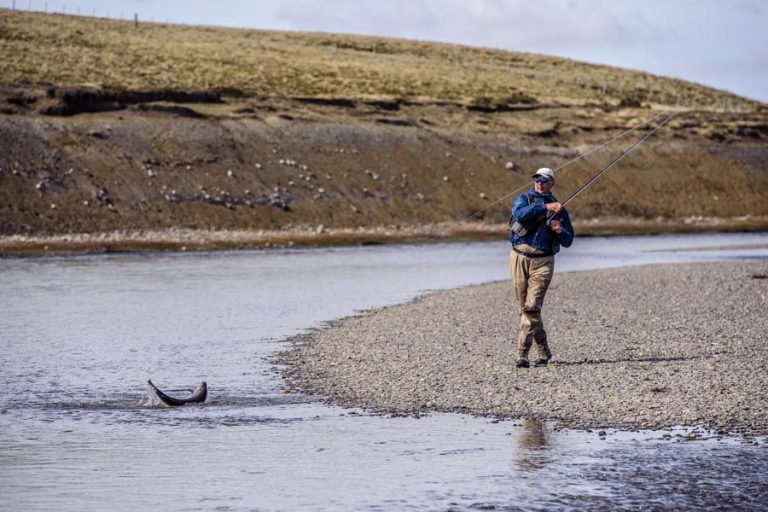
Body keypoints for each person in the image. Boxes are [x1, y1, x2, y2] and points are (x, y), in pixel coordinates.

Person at [508, 167, 574, 368]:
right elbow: (519, 213)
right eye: (537, 179)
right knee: (524, 309)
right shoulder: (524, 198)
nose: (539, 183)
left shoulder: (560, 209)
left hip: (544, 261)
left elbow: (568, 240)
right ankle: (544, 351)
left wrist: (559, 230)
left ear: (551, 183)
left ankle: (522, 354)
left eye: (544, 180)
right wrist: (546, 208)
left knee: (532, 306)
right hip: (519, 257)